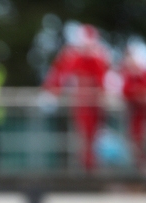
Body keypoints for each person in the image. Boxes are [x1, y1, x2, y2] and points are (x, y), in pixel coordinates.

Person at [42, 24, 110, 172]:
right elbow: (59, 75)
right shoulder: (72, 56)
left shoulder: (99, 56)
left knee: (94, 136)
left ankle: (91, 165)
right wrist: (53, 93)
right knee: (83, 135)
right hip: (81, 103)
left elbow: (105, 79)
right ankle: (85, 166)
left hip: (94, 104)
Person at [119, 47, 146, 172]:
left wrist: (137, 91)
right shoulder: (128, 74)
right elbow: (125, 92)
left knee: (141, 140)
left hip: (142, 115)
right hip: (132, 114)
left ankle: (143, 167)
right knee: (133, 141)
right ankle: (138, 168)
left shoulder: (145, 73)